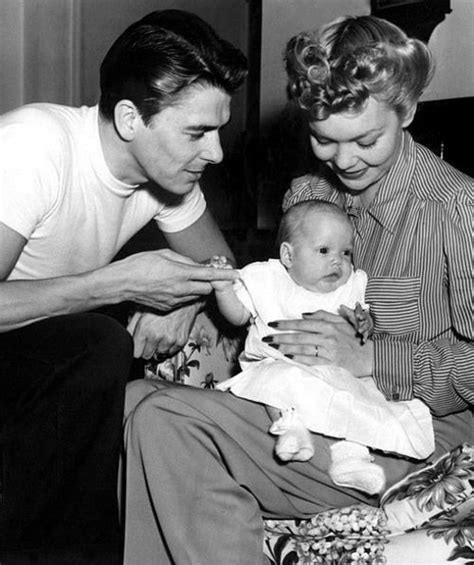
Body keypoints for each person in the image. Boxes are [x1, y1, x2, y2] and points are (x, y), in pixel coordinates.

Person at [123, 15, 473, 565]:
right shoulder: (310, 193)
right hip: (306, 408)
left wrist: (373, 357)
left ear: (405, 112)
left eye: (366, 139)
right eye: (324, 139)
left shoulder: (457, 210)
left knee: (165, 421)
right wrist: (194, 299)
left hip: (411, 434)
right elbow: (271, 293)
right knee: (134, 400)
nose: (345, 160)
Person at [0, 9, 246, 557]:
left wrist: (190, 300)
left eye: (218, 131)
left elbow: (224, 272)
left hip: (46, 350)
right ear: (132, 118)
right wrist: (113, 284)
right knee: (98, 340)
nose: (216, 152)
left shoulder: (166, 178)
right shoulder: (33, 146)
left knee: (107, 352)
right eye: (198, 133)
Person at [213, 200, 433, 495]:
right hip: (280, 362)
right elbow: (237, 315)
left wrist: (364, 322)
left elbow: (361, 321)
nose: (337, 262)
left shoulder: (349, 285)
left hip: (335, 372)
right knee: (277, 382)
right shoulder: (267, 279)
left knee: (357, 400)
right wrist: (223, 289)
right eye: (324, 251)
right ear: (288, 255)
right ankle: (291, 429)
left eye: (345, 252)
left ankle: (351, 459)